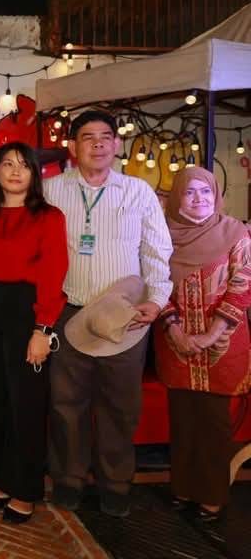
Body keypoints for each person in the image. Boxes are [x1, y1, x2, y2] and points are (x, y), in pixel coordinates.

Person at [43, 109, 173, 517]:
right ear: (72, 146)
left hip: (125, 316)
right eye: (87, 137)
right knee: (66, 403)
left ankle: (115, 483)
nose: (98, 144)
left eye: (105, 137)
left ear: (117, 144)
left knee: (120, 404)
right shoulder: (50, 190)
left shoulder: (138, 192)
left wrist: (157, 299)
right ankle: (68, 479)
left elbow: (156, 251)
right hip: (68, 311)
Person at [0, 142, 68, 523]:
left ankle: (25, 488)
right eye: (8, 164)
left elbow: (53, 274)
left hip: (28, 312)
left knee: (27, 402)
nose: (15, 171)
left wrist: (43, 329)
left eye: (24, 165)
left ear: (34, 174)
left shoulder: (49, 217)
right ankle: (2, 480)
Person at [155, 167, 251, 521]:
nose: (199, 199)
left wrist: (211, 334)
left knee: (213, 421)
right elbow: (155, 282)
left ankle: (211, 495)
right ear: (177, 198)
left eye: (206, 192)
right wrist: (175, 330)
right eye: (190, 192)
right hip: (175, 341)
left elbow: (242, 285)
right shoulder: (162, 234)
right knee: (182, 418)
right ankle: (182, 487)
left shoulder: (235, 232)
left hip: (222, 341)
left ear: (216, 196)